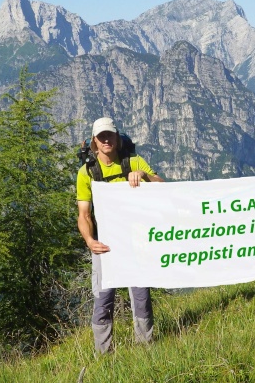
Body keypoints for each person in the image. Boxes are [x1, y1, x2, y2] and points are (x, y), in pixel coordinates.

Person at [76, 117, 165, 354]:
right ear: (94, 141)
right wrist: (89, 241)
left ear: (116, 137)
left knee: (141, 297)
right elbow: (83, 214)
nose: (106, 140)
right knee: (103, 300)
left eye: (110, 135)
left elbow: (162, 186)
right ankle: (104, 354)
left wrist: (144, 176)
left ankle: (145, 348)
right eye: (101, 136)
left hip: (135, 241)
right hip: (104, 244)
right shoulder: (86, 172)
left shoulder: (133, 161)